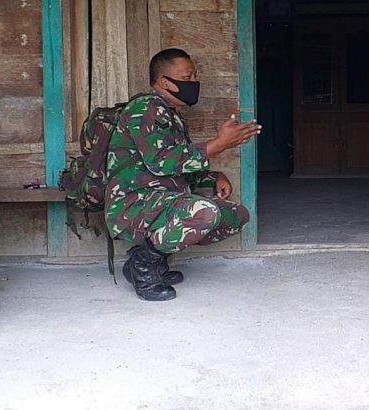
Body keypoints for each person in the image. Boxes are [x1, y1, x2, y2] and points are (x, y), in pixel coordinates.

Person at [106, 48, 261, 301]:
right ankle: (142, 265)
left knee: (235, 215)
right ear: (165, 81)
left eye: (195, 77)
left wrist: (215, 177)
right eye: (187, 78)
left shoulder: (172, 116)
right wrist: (218, 144)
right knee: (204, 212)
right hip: (131, 204)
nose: (194, 82)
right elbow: (161, 163)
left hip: (160, 201)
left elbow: (180, 167)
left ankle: (154, 261)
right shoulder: (144, 109)